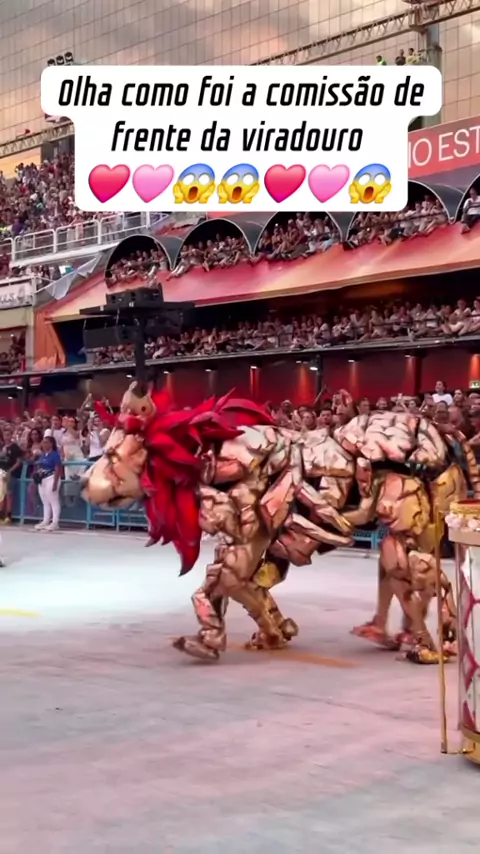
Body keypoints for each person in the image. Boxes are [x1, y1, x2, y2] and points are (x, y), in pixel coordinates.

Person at [34, 436, 62, 532]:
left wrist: (55, 483)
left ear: (51, 444)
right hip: (43, 479)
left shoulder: (55, 455)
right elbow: (40, 466)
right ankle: (46, 520)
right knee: (45, 501)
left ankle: (55, 522)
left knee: (53, 500)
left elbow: (58, 468)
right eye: (43, 442)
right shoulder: (43, 455)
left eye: (46, 442)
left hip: (52, 477)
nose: (44, 444)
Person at [0, 426, 24, 524]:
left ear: (11, 435)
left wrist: (10, 471)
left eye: (8, 435)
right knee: (1, 495)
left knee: (9, 494)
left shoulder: (15, 447)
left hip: (10, 473)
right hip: (1, 472)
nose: (6, 437)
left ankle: (8, 516)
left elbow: (19, 461)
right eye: (5, 435)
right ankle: (1, 515)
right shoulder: (2, 447)